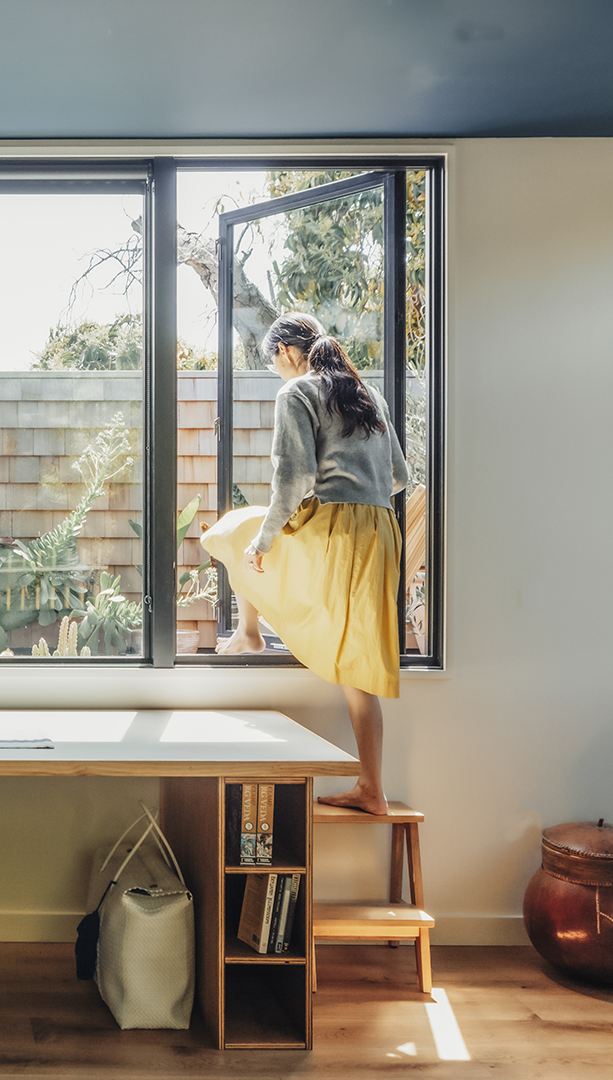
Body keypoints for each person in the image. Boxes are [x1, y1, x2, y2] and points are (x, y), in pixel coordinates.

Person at [200, 313, 408, 815]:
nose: (278, 372)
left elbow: (291, 480)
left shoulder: (296, 394)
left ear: (287, 352)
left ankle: (248, 633)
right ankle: (372, 789)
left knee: (236, 530)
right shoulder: (367, 395)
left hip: (337, 528)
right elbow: (399, 476)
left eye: (274, 362)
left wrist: (267, 540)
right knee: (356, 665)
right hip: (380, 531)